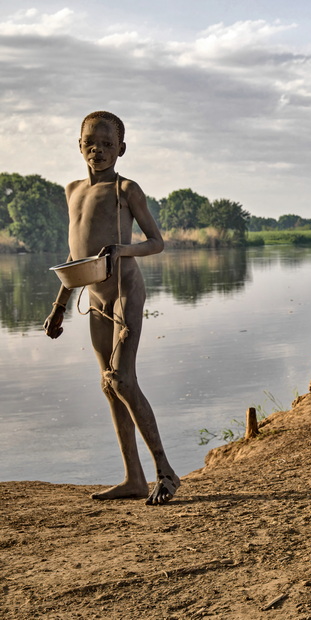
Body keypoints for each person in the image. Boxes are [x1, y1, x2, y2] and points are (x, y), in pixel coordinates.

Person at [44, 111, 180, 506]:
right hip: (95, 298)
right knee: (109, 387)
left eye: (107, 144)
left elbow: (156, 242)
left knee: (121, 379)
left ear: (121, 149)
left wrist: (124, 249)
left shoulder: (126, 189)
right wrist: (59, 306)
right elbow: (74, 254)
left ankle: (165, 472)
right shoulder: (72, 190)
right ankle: (133, 479)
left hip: (125, 292)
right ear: (79, 145)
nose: (97, 150)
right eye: (90, 142)